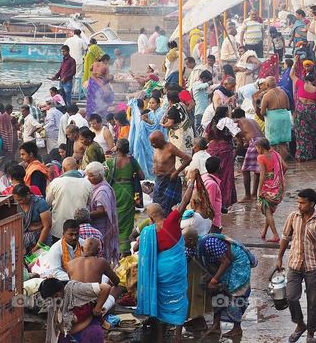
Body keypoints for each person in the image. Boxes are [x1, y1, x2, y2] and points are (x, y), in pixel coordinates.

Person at [276, 189, 316, 343]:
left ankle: (311, 333)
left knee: (312, 301)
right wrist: (279, 257)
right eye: (298, 202)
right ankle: (300, 324)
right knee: (291, 297)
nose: (299, 205)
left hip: (313, 267)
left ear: (312, 204)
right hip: (294, 265)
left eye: (302, 203)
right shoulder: (293, 217)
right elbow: (285, 237)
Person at [137, 185, 194, 343]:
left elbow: (136, 247)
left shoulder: (149, 231)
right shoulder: (172, 220)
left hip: (160, 269)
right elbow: (185, 200)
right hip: (176, 268)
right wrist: (192, 182)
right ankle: (177, 337)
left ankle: (161, 337)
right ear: (163, 212)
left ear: (150, 218)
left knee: (161, 301)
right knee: (180, 298)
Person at [185, 230, 255, 338]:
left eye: (183, 240)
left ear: (190, 240)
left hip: (237, 262)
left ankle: (237, 328)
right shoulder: (192, 246)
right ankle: (216, 326)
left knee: (235, 293)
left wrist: (214, 280)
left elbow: (225, 262)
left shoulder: (208, 243)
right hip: (225, 264)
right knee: (216, 292)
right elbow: (185, 259)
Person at [39, 272, 113, 343]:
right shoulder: (55, 299)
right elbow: (62, 328)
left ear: (57, 294)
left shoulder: (75, 288)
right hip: (77, 322)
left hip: (87, 317)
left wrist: (97, 309)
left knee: (93, 334)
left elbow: (106, 287)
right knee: (62, 337)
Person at [105, 139, 141, 250]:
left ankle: (114, 248)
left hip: (114, 192)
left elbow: (103, 176)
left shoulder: (110, 162)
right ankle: (124, 249)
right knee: (127, 221)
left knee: (114, 219)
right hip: (128, 193)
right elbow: (142, 176)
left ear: (117, 147)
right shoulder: (132, 161)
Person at [84, 160, 119, 264]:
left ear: (99, 175)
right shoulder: (94, 186)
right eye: (88, 176)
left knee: (100, 250)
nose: (88, 178)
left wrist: (86, 215)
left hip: (101, 226)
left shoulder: (102, 190)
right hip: (95, 225)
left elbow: (102, 210)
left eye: (91, 176)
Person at [150, 131, 192, 214]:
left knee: (169, 208)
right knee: (156, 206)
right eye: (151, 143)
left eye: (154, 143)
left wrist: (176, 172)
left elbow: (188, 159)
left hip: (170, 181)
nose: (152, 145)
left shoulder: (170, 148)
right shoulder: (156, 148)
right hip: (159, 180)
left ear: (161, 141)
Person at [205, 106, 239, 208]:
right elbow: (237, 135)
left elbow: (206, 137)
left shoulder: (211, 123)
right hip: (225, 150)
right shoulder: (227, 122)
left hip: (211, 149)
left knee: (212, 175)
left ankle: (212, 200)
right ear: (225, 113)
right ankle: (224, 202)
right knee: (226, 176)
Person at [291, 67, 316, 162]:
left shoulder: (300, 84)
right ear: (313, 81)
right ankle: (309, 154)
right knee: (309, 133)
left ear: (305, 80)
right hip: (311, 111)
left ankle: (300, 154)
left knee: (300, 133)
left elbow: (291, 75)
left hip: (301, 110)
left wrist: (294, 64)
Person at [260, 77, 293, 162]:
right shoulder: (283, 92)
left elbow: (262, 112)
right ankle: (282, 163)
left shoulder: (266, 95)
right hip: (284, 117)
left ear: (267, 85)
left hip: (273, 119)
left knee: (272, 144)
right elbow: (288, 107)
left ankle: (275, 164)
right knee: (283, 143)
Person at [14, 183, 52, 255]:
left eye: (20, 200)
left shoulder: (40, 203)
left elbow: (47, 226)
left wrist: (37, 247)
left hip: (41, 239)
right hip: (23, 240)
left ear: (28, 195)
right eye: (17, 200)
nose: (19, 202)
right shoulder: (16, 204)